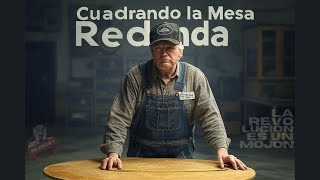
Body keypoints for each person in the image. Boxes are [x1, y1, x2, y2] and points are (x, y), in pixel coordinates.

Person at [99, 22, 247, 171]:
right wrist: (113, 153)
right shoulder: (135, 76)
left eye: (170, 48)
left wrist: (222, 151)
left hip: (181, 155)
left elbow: (210, 115)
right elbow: (119, 116)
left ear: (180, 51)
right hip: (140, 155)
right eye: (158, 48)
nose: (164, 53)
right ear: (151, 51)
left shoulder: (194, 76)